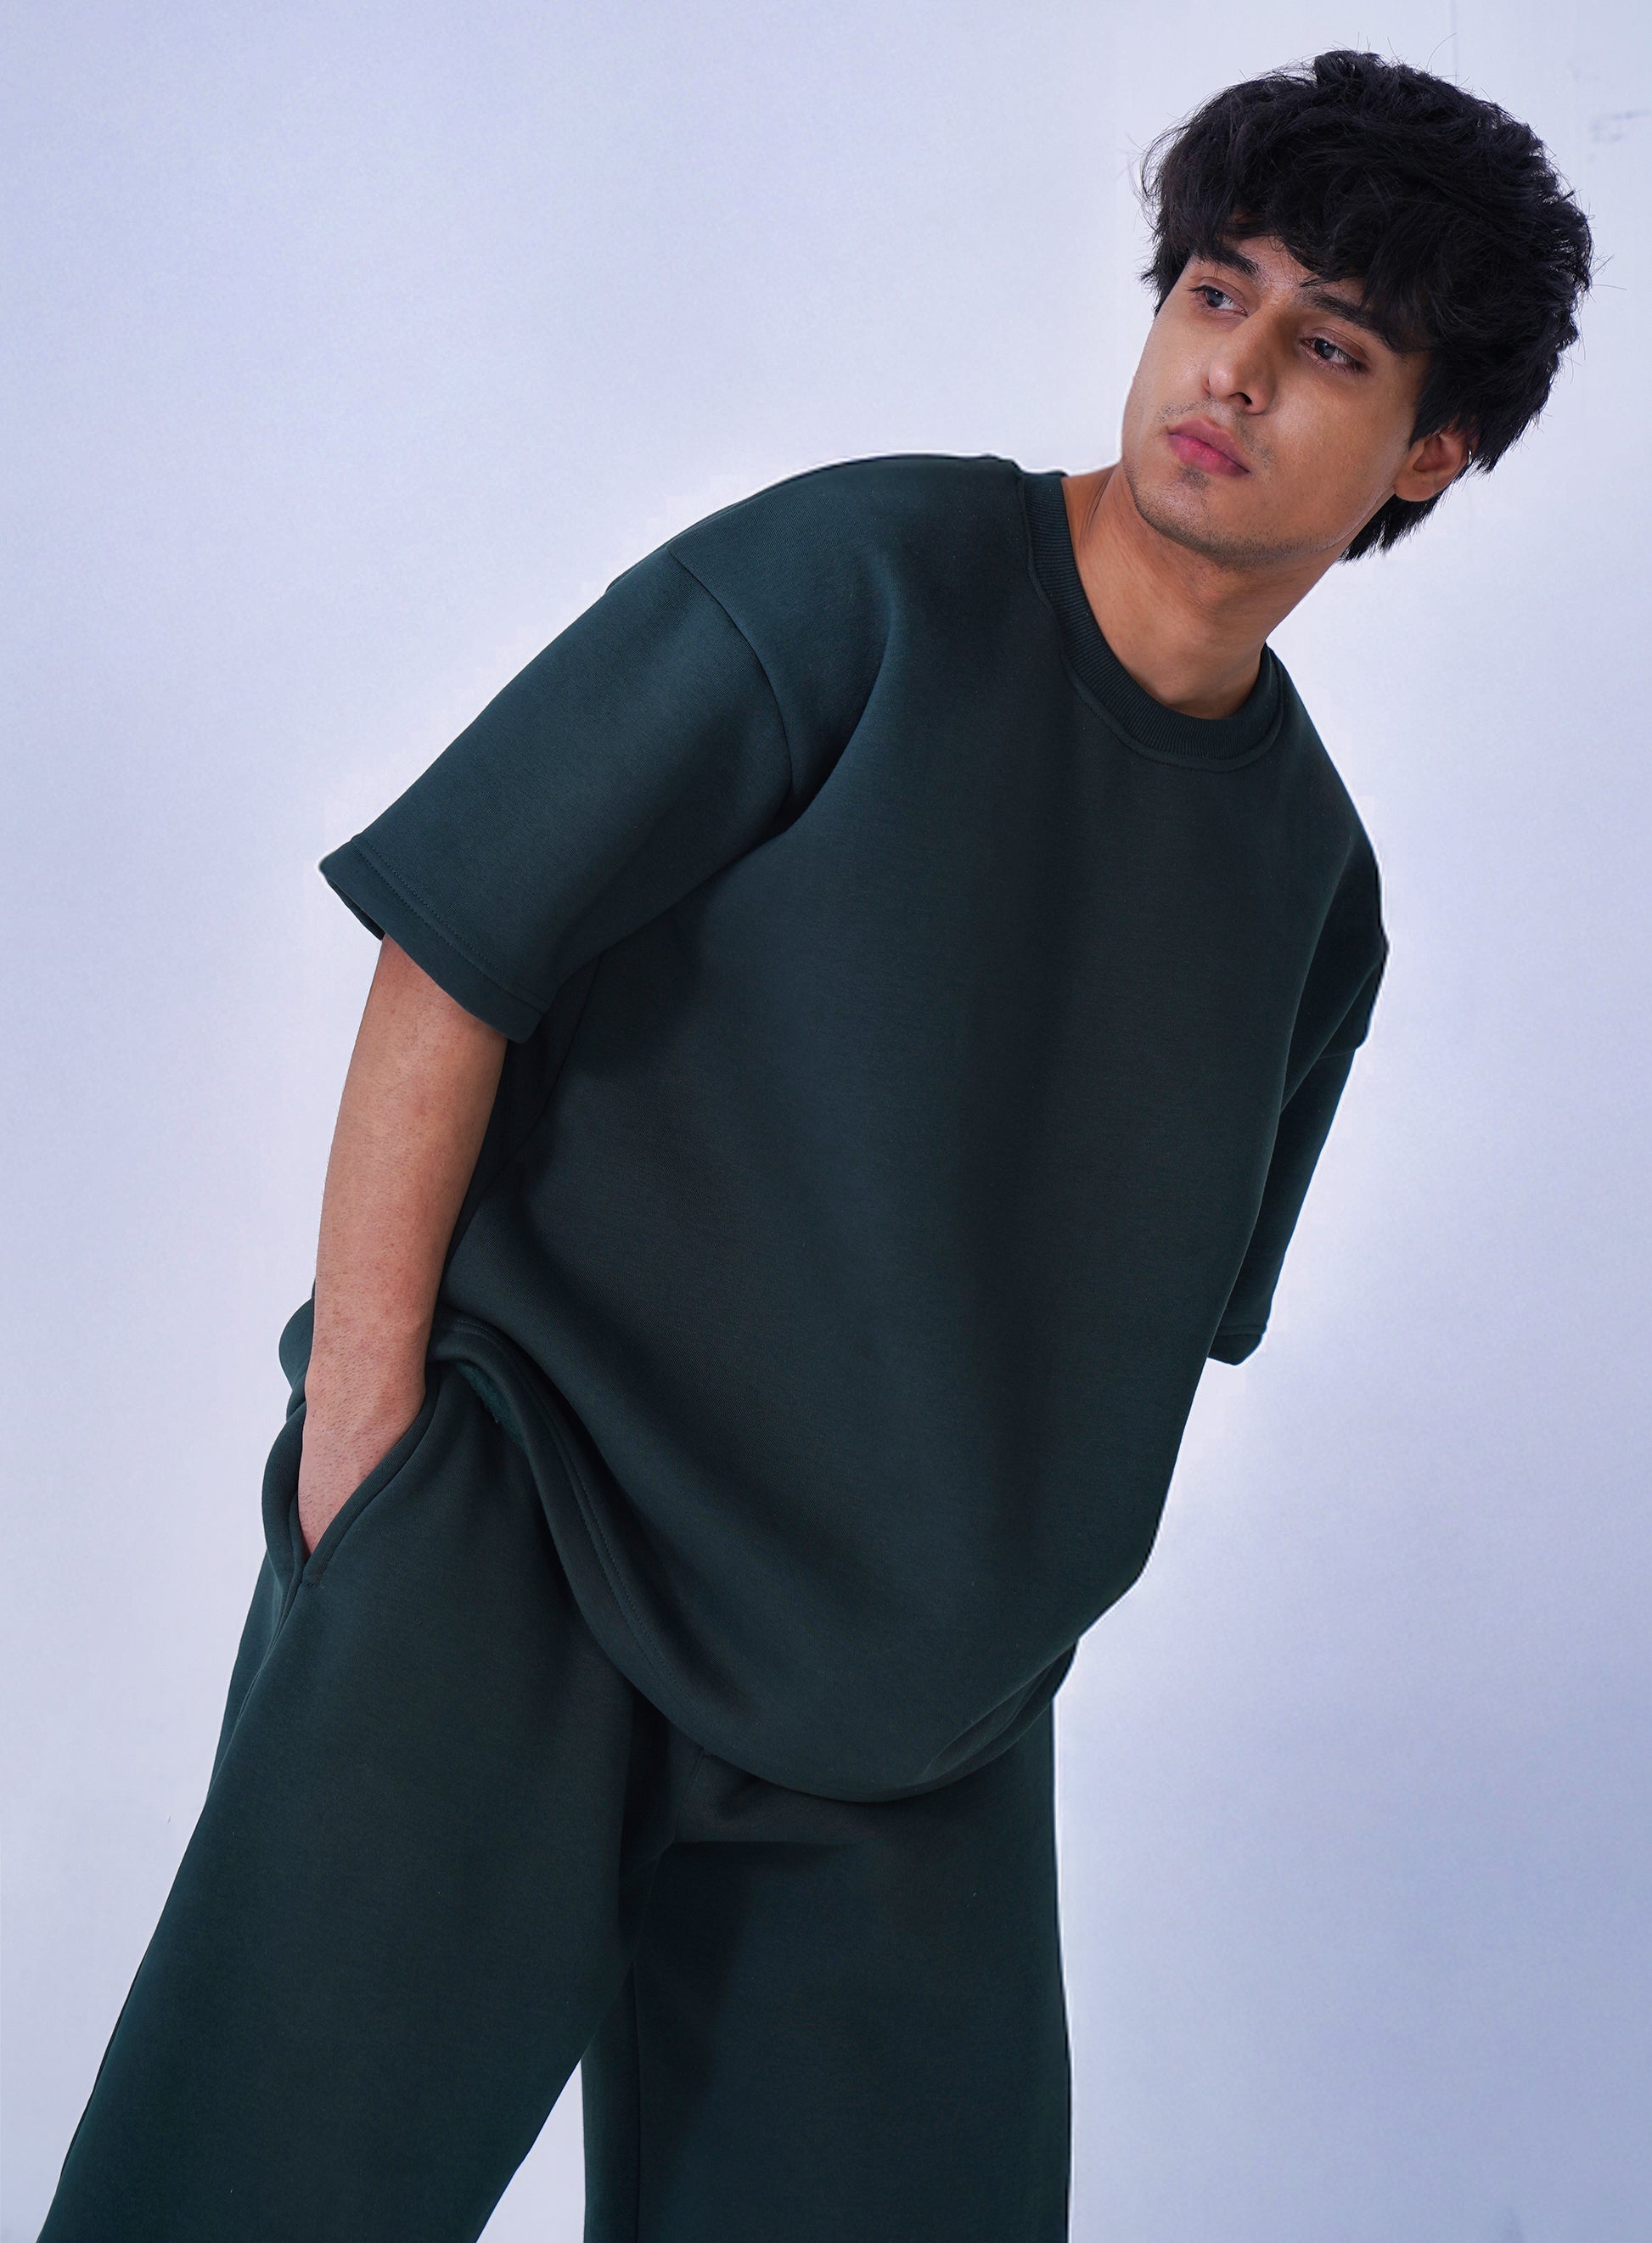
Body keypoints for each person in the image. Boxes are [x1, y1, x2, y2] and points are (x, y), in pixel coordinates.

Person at [42, 48, 1592, 2243]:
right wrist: (366, 1457)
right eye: (1214, 291)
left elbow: (1146, 1313)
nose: (1230, 373)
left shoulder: (1311, 891)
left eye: (1328, 347)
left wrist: (991, 1625)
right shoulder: (857, 581)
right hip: (520, 1544)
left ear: (1429, 451)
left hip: (907, 1717)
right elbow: (455, 947)